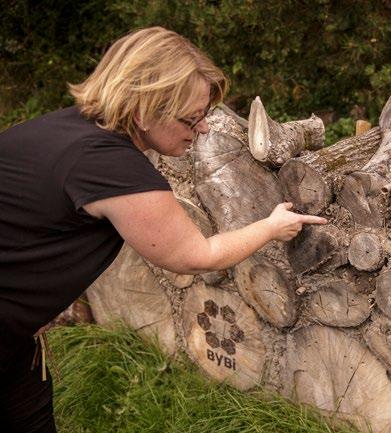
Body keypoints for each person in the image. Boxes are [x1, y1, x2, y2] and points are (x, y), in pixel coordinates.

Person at [0, 26, 327, 432]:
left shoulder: (60, 130)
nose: (204, 128)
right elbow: (193, 256)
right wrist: (272, 226)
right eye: (192, 118)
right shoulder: (113, 167)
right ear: (143, 109)